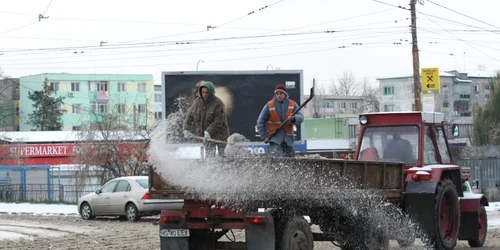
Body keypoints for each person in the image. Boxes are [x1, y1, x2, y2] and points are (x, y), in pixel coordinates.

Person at [183, 81, 230, 157]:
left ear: (211, 92)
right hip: (207, 138)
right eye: (203, 92)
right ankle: (211, 169)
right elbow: (189, 116)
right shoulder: (197, 103)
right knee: (209, 157)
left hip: (220, 136)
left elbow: (218, 121)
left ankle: (222, 168)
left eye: (207, 92)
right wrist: (186, 129)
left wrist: (208, 132)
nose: (205, 94)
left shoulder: (218, 103)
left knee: (222, 157)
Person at [256, 84, 304, 157]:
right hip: (275, 140)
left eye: (281, 93)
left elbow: (301, 117)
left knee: (292, 163)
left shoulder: (292, 104)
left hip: (289, 141)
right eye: (277, 94)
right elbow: (260, 122)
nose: (279, 95)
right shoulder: (269, 105)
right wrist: (264, 136)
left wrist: (294, 118)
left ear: (285, 94)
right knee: (277, 163)